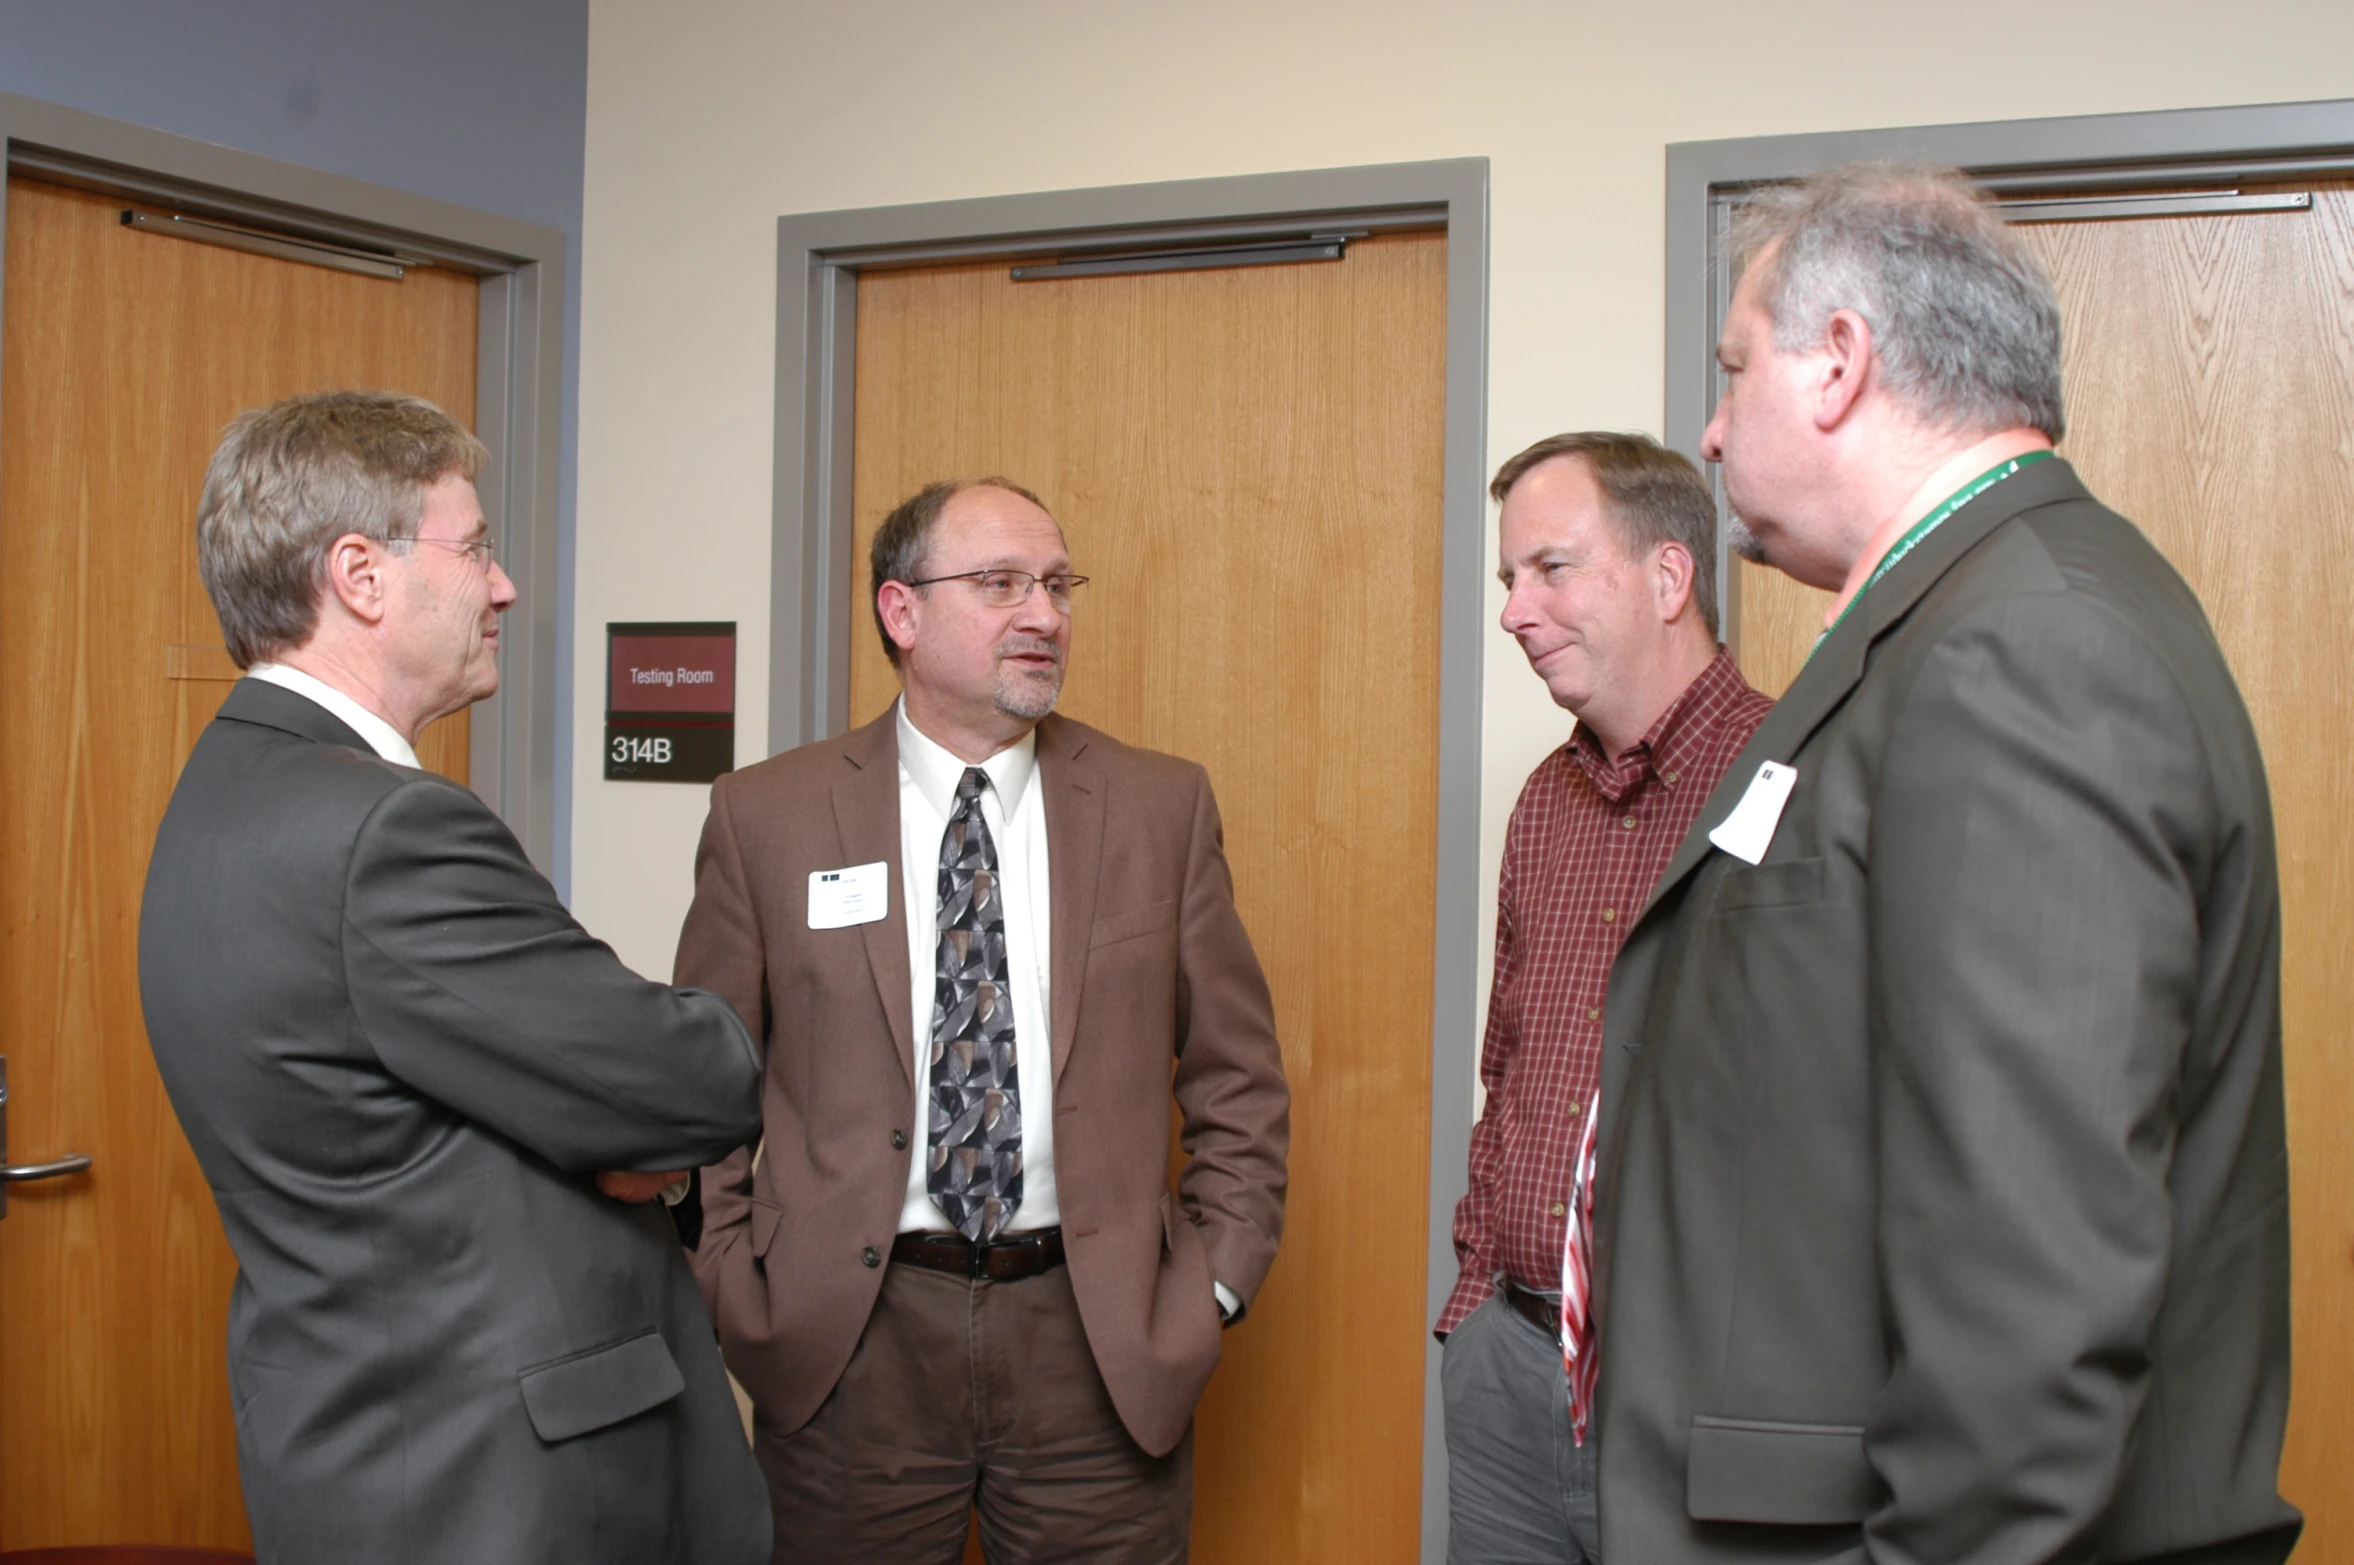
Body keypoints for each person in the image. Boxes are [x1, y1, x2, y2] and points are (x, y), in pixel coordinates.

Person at [1592, 164, 2300, 1563]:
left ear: (1839, 364)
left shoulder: (2022, 645)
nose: (1711, 433)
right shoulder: (1964, 619)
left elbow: (2029, 1299)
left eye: (1735, 372)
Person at [138, 391, 771, 1565]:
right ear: (360, 575)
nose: (504, 585)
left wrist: (603, 1124)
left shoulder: (224, 795)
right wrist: (619, 1128)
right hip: (494, 1485)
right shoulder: (385, 829)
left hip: (367, 1454)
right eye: (474, 545)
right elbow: (692, 1077)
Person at [675, 476, 1290, 1563]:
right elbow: (705, 1088)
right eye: (1002, 583)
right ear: (899, 612)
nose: (1044, 614)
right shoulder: (765, 815)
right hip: (846, 1345)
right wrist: (737, 1290)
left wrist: (1210, 1290)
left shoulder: (1158, 806)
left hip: (1095, 1340)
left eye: (1056, 584)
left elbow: (1235, 1076)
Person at [1438, 432, 1770, 1563]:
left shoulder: (1804, 775)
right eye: (1506, 581)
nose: (1512, 611)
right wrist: (1475, 1301)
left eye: (1549, 569)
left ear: (1667, 577)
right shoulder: (1548, 797)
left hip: (1704, 1399)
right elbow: (1509, 1061)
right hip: (1509, 1372)